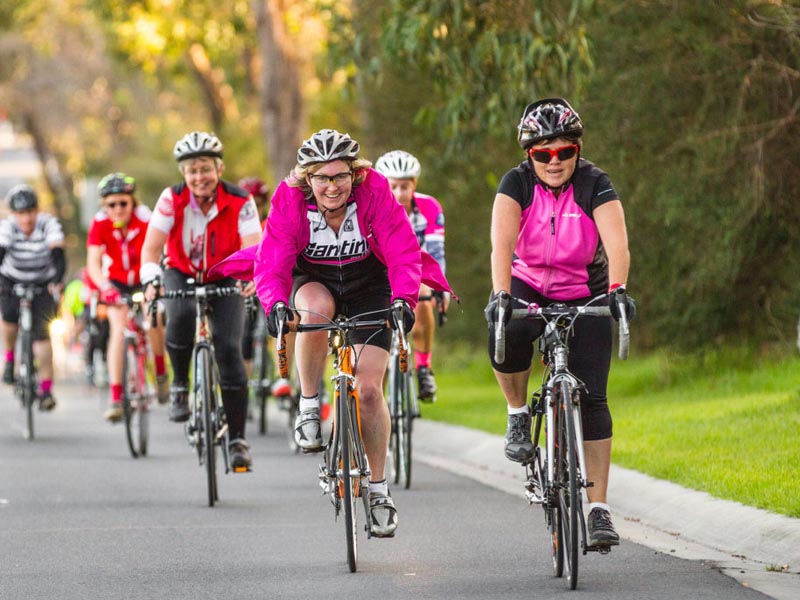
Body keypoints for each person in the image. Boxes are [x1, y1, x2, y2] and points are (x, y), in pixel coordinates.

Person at [251, 129, 452, 539]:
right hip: (316, 281)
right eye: (322, 178)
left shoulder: (376, 190)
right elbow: (272, 261)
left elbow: (401, 251)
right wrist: (274, 304)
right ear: (308, 179)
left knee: (371, 390)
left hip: (369, 285)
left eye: (340, 176)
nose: (332, 186)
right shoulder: (290, 200)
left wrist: (404, 300)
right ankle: (309, 405)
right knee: (313, 310)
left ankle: (378, 490)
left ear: (355, 174)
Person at [485, 98, 636, 550]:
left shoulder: (595, 184)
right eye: (543, 154)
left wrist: (618, 291)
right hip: (527, 283)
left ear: (577, 149)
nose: (555, 162)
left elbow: (617, 243)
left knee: (594, 396)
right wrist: (500, 295)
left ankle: (599, 509)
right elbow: (500, 245)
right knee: (505, 334)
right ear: (529, 155)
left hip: (583, 290)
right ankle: (516, 414)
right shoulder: (516, 184)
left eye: (564, 152)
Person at [140, 131, 262, 471]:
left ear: (219, 168)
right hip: (180, 270)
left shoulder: (241, 200)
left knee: (228, 349)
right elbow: (151, 248)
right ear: (183, 174)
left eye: (205, 168)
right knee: (178, 317)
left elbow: (253, 247)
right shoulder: (171, 198)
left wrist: (252, 276)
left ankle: (237, 439)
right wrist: (151, 279)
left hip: (225, 274)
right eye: (192, 170)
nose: (199, 177)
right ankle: (180, 384)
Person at [86, 173, 170, 422]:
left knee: (152, 317)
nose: (118, 209)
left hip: (145, 275)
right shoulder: (99, 222)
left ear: (132, 202)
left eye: (124, 203)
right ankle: (116, 397)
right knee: (118, 331)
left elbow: (161, 250)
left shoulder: (146, 217)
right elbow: (93, 262)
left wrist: (158, 281)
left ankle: (161, 371)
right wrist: (104, 287)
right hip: (117, 282)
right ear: (105, 206)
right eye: (112, 204)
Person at [375, 150, 448, 401]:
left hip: (414, 269)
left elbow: (436, 251)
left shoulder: (429, 207)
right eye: (393, 186)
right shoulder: (373, 206)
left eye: (404, 186)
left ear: (414, 184)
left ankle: (424, 366)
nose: (399, 193)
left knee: (425, 294)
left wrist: (441, 288)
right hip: (380, 271)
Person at [0, 184, 66, 410]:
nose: (26, 218)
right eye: (20, 213)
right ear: (14, 214)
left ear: (37, 211)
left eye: (30, 212)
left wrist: (57, 281)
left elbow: (58, 254)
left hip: (42, 282)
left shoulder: (48, 224)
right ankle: (9, 360)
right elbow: (1, 250)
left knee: (43, 338)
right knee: (9, 318)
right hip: (11, 279)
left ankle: (46, 390)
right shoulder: (7, 227)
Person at [237, 176, 292, 400]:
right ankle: (243, 385)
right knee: (244, 335)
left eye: (257, 202)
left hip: (267, 282)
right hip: (244, 285)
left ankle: (283, 376)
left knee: (279, 325)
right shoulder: (235, 225)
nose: (253, 207)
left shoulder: (271, 223)